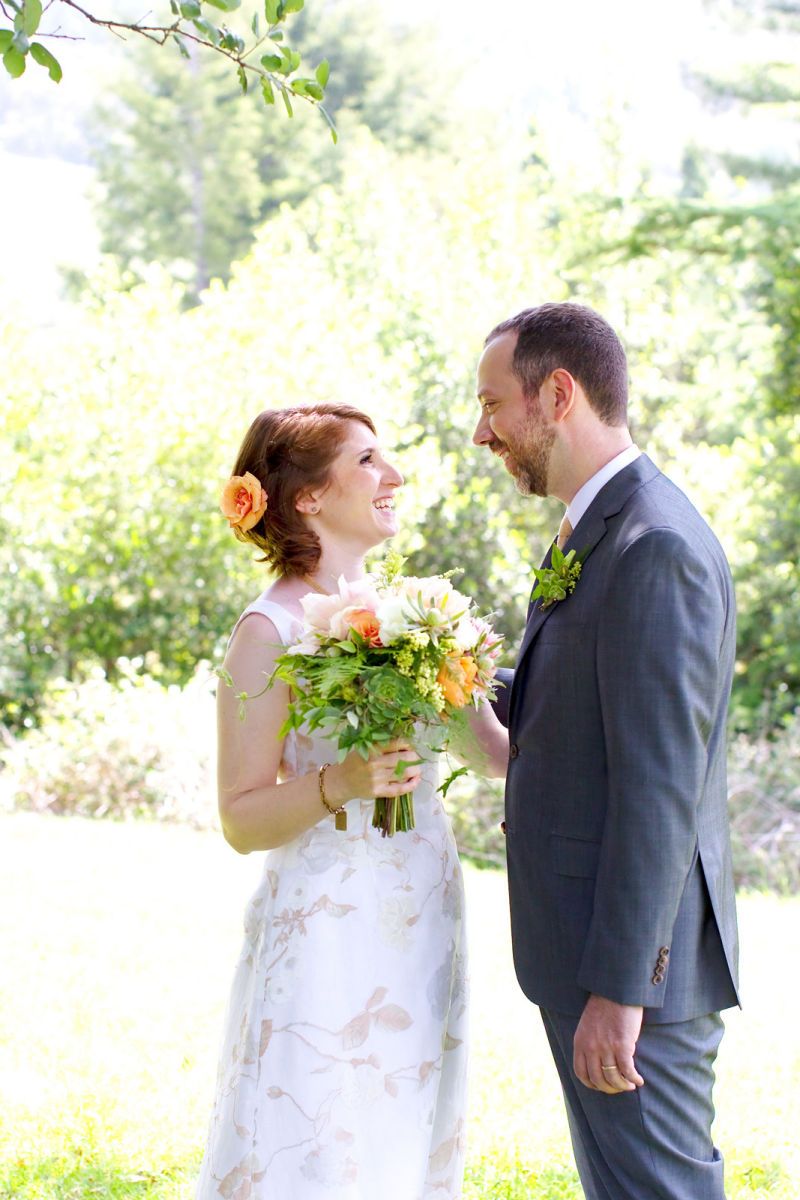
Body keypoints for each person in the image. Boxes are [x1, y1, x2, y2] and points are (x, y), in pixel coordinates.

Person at [195, 403, 507, 1200]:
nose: (393, 476)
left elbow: (496, 757)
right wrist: (343, 782)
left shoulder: (416, 622)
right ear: (306, 497)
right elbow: (239, 818)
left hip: (423, 910)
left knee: (401, 1136)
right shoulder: (264, 632)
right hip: (329, 922)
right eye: (369, 460)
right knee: (315, 1140)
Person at [473, 303, 740, 1200]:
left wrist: (620, 992)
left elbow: (660, 788)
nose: (483, 434)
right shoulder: (596, 529)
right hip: (586, 955)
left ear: (558, 394)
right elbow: (578, 710)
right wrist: (438, 676)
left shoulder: (651, 544)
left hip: (634, 978)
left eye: (493, 404)